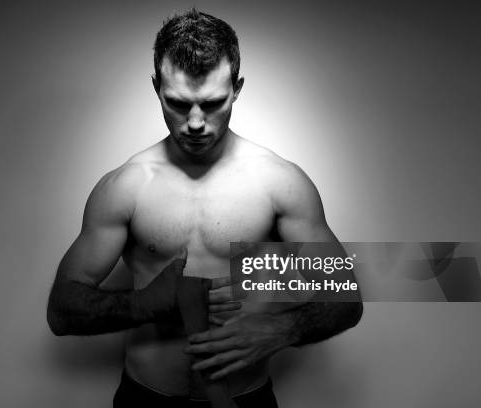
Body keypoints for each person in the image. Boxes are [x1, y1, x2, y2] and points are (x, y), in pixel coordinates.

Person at [47, 8, 362, 408]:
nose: (195, 122)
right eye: (178, 103)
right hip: (146, 399)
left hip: (246, 400)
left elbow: (346, 298)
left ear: (237, 88)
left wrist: (280, 330)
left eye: (212, 103)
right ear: (156, 87)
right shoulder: (126, 187)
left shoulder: (279, 183)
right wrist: (144, 304)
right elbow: (61, 310)